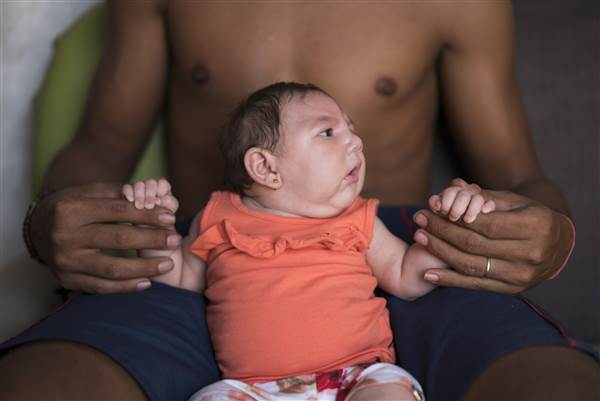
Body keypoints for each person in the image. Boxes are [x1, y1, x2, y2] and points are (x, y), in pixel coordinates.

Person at [0, 1, 598, 401]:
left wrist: (554, 237)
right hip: (208, 251)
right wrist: (48, 219)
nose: (351, 139)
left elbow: (520, 175)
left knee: (555, 384)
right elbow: (101, 143)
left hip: (393, 242)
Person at [123, 82, 497, 401]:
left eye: (350, 129)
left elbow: (408, 277)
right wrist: (151, 226)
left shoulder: (359, 218)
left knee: (390, 392)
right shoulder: (219, 218)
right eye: (328, 133)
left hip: (359, 376)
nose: (355, 142)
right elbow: (179, 277)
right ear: (266, 168)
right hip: (252, 390)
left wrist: (454, 221)